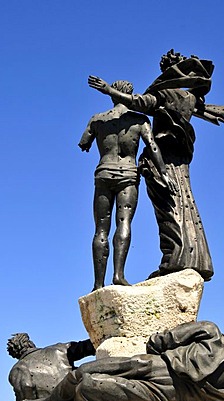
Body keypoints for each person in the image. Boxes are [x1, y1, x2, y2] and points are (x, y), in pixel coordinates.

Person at [88, 50, 224, 281]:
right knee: (185, 203)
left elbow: (137, 102)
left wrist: (109, 90)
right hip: (179, 158)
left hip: (161, 162)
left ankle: (174, 259)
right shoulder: (187, 98)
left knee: (168, 207)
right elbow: (200, 109)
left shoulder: (161, 94)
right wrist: (217, 110)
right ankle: (192, 258)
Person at [13, 318, 224, 401]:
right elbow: (163, 340)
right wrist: (156, 354)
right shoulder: (210, 331)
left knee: (90, 385)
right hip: (158, 365)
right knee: (84, 370)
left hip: (169, 394)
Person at [79, 80, 175, 291]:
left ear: (113, 95)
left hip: (104, 173)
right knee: (124, 222)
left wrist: (91, 142)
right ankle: (118, 275)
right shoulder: (139, 120)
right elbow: (154, 147)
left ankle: (97, 284)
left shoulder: (97, 119)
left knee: (100, 229)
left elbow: (83, 143)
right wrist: (164, 173)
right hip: (128, 174)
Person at [7, 333, 95, 401]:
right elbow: (90, 345)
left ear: (15, 355)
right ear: (30, 344)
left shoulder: (18, 368)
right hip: (82, 396)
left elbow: (26, 392)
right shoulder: (59, 349)